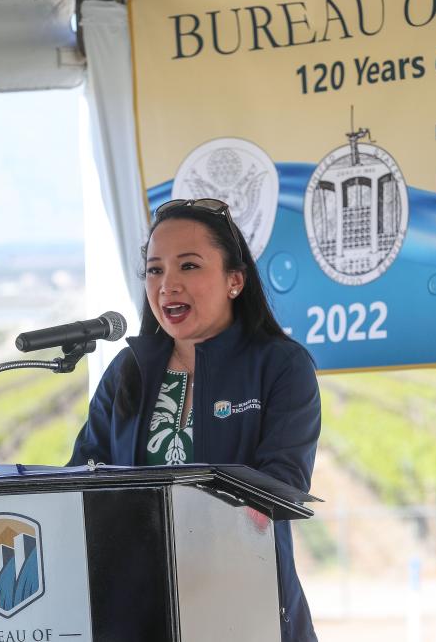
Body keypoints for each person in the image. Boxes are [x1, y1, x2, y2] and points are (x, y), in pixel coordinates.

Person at [69, 198, 321, 642]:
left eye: (188, 267)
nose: (167, 285)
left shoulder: (281, 366)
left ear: (234, 281)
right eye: (154, 270)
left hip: (243, 605)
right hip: (136, 609)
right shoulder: (127, 370)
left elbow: (283, 484)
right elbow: (81, 478)